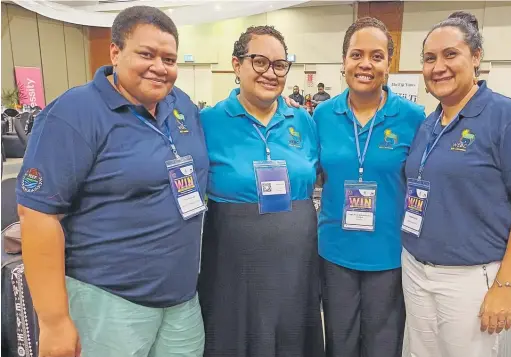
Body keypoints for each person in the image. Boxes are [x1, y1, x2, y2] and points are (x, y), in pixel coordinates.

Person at [16, 6, 207, 357]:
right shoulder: (74, 113)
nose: (160, 67)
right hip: (108, 303)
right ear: (115, 52)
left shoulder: (182, 105)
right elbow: (37, 215)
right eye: (146, 54)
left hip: (181, 302)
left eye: (169, 58)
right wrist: (54, 320)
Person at [401, 11, 511, 357]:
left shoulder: (509, 117)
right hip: (418, 270)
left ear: (476, 57)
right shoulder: (429, 124)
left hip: (472, 277)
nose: (439, 66)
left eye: (451, 54)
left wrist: (505, 285)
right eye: (429, 58)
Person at [198, 25, 324, 357]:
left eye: (279, 64)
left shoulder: (303, 122)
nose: (270, 72)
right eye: (259, 62)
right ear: (236, 65)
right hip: (233, 270)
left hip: (297, 267)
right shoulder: (209, 122)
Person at [314, 17, 425, 357]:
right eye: (356, 54)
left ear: (388, 64)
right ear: (343, 61)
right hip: (334, 252)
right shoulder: (321, 115)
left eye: (376, 56)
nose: (365, 64)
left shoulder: (413, 117)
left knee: (383, 347)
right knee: (340, 345)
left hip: (389, 255)